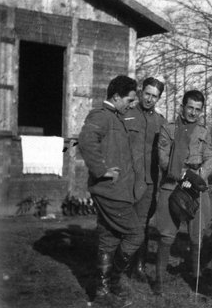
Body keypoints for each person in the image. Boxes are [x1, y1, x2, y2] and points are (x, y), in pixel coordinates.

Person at [79, 75, 141, 307]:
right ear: (116, 97)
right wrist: (102, 170)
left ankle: (102, 293)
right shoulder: (101, 116)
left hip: (115, 190)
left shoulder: (116, 117)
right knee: (135, 234)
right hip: (110, 191)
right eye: (129, 99)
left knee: (108, 237)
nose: (132, 104)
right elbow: (85, 141)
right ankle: (114, 279)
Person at [154, 90, 212, 295]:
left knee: (197, 236)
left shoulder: (204, 132)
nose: (193, 113)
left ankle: (196, 280)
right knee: (166, 235)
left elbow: (210, 158)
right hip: (172, 184)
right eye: (190, 107)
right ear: (182, 107)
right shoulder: (168, 129)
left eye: (198, 110)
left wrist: (198, 176)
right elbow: (163, 158)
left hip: (196, 186)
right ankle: (159, 282)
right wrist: (183, 176)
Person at [123, 77, 166, 281]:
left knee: (142, 225)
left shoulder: (161, 122)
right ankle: (120, 264)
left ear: (159, 98)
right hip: (126, 179)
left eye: (154, 96)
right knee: (122, 221)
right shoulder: (126, 114)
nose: (149, 99)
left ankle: (138, 266)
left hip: (149, 181)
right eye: (147, 94)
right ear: (141, 92)